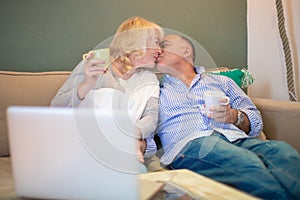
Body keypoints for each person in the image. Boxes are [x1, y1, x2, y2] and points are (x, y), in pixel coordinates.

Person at [155, 34, 300, 199]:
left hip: (238, 140)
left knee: (282, 152)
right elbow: (145, 132)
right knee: (246, 164)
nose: (157, 50)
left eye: (164, 45)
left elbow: (256, 121)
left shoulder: (222, 82)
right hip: (192, 145)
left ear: (186, 50)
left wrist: (233, 116)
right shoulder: (155, 90)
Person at [51, 16, 164, 164]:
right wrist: (86, 85)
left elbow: (151, 117)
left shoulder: (149, 79)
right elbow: (56, 106)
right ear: (137, 41)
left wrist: (129, 135)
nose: (160, 50)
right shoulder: (95, 66)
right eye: (156, 42)